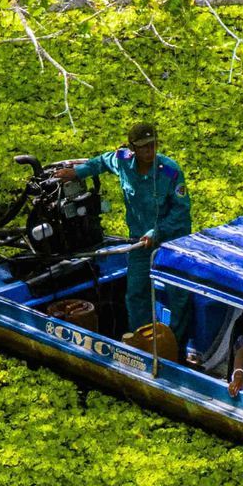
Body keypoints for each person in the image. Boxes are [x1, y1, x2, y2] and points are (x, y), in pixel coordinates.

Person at [53, 122, 192, 342]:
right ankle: (141, 340)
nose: (150, 151)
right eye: (144, 147)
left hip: (171, 243)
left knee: (178, 296)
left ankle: (174, 344)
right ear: (133, 149)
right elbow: (101, 162)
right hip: (139, 243)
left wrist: (157, 232)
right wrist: (77, 173)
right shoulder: (123, 160)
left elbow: (181, 213)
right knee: (136, 293)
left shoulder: (171, 172)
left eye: (153, 145)